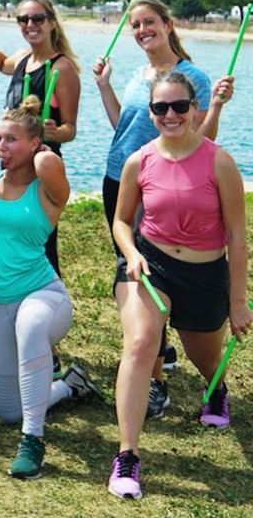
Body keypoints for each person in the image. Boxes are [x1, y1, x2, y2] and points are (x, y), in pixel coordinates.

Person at [107, 71, 249, 500]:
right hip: (151, 266)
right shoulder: (140, 160)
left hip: (206, 275)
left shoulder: (219, 161)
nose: (170, 115)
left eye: (179, 106)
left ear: (193, 108)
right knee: (141, 342)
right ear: (151, 113)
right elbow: (120, 221)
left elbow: (238, 237)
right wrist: (131, 255)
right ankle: (127, 455)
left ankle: (216, 388)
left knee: (202, 354)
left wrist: (237, 300)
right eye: (160, 108)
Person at [0, 97, 98, 480]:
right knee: (7, 412)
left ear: (35, 144)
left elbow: (48, 163)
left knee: (31, 326)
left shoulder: (46, 190)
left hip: (43, 296)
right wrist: (5, 144)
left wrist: (31, 149)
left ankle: (32, 441)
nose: (1, 145)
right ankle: (68, 385)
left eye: (11, 139)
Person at [92, 0, 215, 417]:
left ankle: (156, 378)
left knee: (151, 277)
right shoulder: (139, 75)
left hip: (160, 185)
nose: (142, 30)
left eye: (149, 23)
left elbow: (201, 140)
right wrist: (105, 86)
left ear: (168, 24)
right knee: (135, 273)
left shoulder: (192, 76)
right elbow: (122, 126)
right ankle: (158, 354)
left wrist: (215, 107)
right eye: (136, 25)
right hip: (119, 176)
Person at [0, 0, 81, 275]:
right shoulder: (23, 58)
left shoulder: (62, 68)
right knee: (12, 241)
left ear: (51, 23)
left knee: (41, 246)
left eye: (37, 18)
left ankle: (51, 304)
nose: (29, 24)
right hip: (11, 166)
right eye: (23, 19)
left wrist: (54, 132)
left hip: (40, 168)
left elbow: (70, 130)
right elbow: (2, 65)